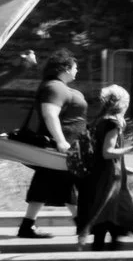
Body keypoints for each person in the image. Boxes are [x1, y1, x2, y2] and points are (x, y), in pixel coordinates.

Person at [14, 53, 86, 239]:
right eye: (75, 66)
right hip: (57, 148)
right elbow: (50, 114)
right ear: (65, 68)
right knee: (63, 181)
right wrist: (61, 141)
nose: (77, 70)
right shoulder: (55, 87)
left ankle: (27, 226)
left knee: (49, 183)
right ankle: (82, 224)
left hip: (61, 148)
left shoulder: (57, 86)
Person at [74, 83, 133, 250]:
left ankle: (101, 252)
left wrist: (123, 167)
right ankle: (108, 255)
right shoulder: (112, 123)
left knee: (105, 217)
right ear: (121, 103)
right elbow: (107, 152)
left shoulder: (99, 120)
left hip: (100, 174)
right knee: (111, 215)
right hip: (108, 177)